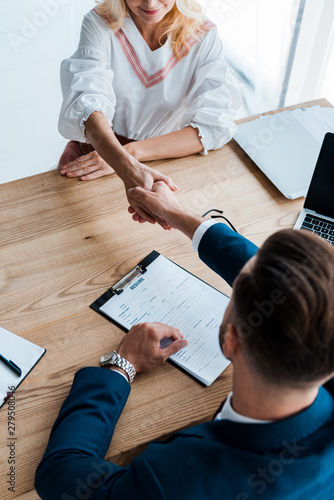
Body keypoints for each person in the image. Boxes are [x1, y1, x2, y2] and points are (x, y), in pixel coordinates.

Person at [35, 182, 334, 499]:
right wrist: (180, 215)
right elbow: (283, 289)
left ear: (231, 341)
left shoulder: (178, 480)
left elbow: (62, 475)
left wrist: (122, 365)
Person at [57, 0, 240, 225]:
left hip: (161, 160)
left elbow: (213, 127)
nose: (150, 3)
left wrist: (128, 155)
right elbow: (88, 101)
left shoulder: (203, 34)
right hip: (96, 152)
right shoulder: (100, 22)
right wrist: (122, 162)